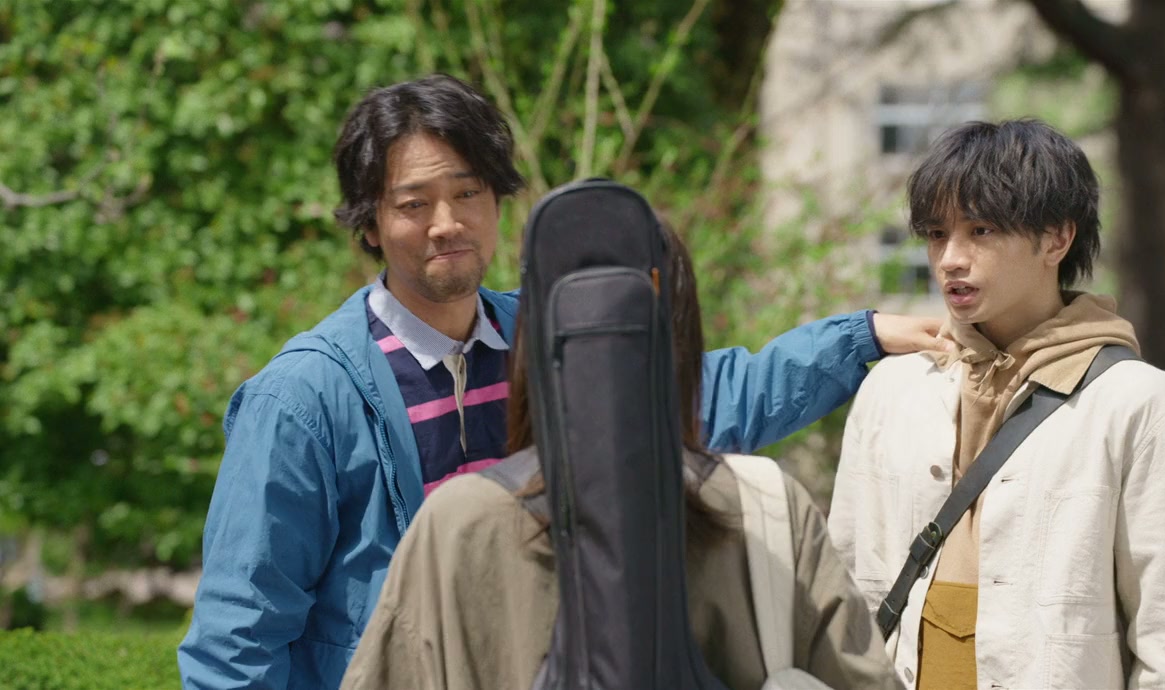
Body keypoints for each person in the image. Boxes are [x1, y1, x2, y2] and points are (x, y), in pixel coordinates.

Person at [177, 73, 939, 690]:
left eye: (468, 193)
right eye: (413, 204)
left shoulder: (546, 339)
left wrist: (862, 336)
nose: (447, 222)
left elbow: (708, 395)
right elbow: (238, 641)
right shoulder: (303, 402)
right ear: (370, 223)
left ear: (498, 201)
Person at [341, 223, 902, 690]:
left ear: (534, 347)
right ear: (681, 338)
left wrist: (856, 336)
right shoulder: (768, 508)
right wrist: (859, 336)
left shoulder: (456, 522)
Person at [827, 119, 1165, 690]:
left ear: (1056, 239)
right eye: (936, 234)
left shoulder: (1138, 403)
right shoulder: (892, 388)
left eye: (981, 230)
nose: (950, 259)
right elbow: (845, 583)